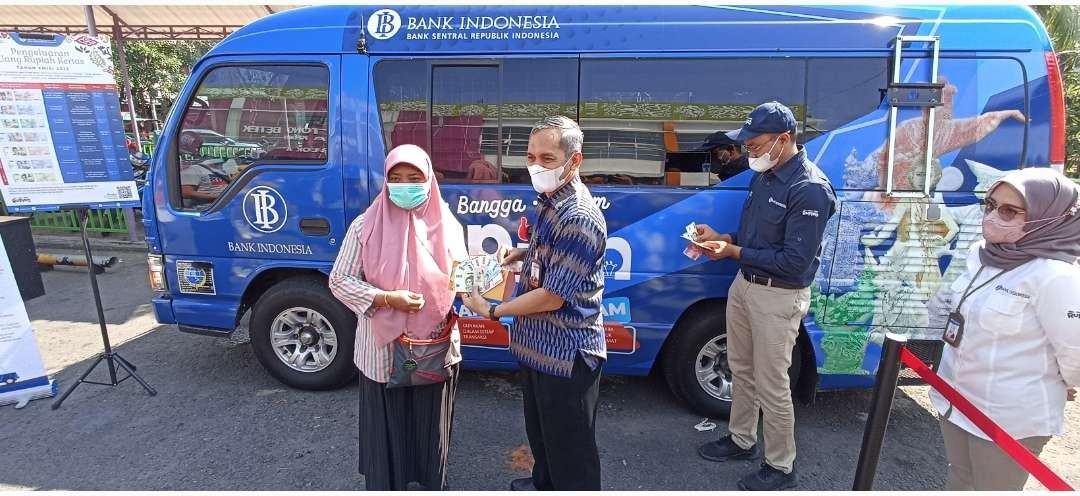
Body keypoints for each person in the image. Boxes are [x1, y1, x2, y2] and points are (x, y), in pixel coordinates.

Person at [690, 101, 837, 491]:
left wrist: (733, 253)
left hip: (778, 296)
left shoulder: (809, 189)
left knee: (773, 384)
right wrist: (723, 240)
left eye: (754, 145)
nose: (748, 152)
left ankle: (781, 466)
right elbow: (756, 238)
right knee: (741, 368)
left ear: (783, 139)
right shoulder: (765, 176)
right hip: (745, 285)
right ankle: (742, 440)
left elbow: (793, 261)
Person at [461, 116, 608, 491]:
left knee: (571, 455)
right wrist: (525, 254)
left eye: (547, 158)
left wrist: (491, 310)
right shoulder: (550, 202)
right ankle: (544, 483)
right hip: (539, 349)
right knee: (544, 438)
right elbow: (553, 258)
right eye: (530, 157)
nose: (536, 166)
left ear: (574, 161)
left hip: (565, 355)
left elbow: (553, 296)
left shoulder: (577, 215)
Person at [929, 167, 1080, 491]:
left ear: (1047, 216)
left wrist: (1065, 382)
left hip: (1008, 418)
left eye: (1009, 211)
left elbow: (1075, 351)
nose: (994, 217)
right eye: (991, 205)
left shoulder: (1056, 276)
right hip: (956, 401)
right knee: (960, 480)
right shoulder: (981, 254)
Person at [329, 144, 468, 491]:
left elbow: (464, 278)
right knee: (385, 425)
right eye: (396, 178)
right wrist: (385, 298)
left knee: (428, 421)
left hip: (431, 348)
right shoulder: (365, 226)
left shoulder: (448, 224)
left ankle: (429, 480)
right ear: (386, 181)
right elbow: (339, 280)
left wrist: (492, 281)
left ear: (429, 180)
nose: (405, 185)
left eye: (414, 177)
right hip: (381, 350)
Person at [178, 130, 238, 209]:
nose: (197, 150)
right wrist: (218, 197)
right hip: (209, 208)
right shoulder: (194, 170)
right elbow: (185, 192)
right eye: (197, 146)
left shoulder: (221, 170)